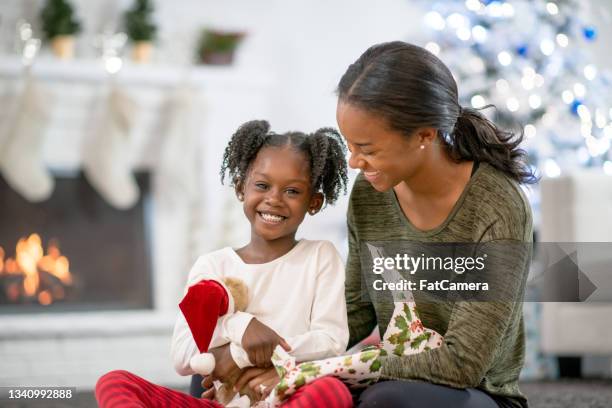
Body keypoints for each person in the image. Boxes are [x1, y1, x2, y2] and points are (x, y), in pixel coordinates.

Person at [95, 120, 353, 408]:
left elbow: (331, 341)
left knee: (332, 393)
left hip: (284, 397)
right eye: (262, 185)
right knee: (115, 382)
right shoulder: (212, 266)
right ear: (241, 188)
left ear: (313, 202)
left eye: (292, 191)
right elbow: (182, 356)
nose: (274, 199)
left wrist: (239, 356)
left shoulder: (320, 257)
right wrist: (240, 326)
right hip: (221, 404)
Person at [335, 41, 535, 408]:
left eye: (367, 148)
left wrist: (339, 369)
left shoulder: (498, 203)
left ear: (425, 135)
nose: (353, 161)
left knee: (385, 401)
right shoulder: (369, 193)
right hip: (390, 375)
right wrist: (282, 356)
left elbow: (464, 364)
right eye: (349, 145)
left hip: (479, 394)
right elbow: (355, 313)